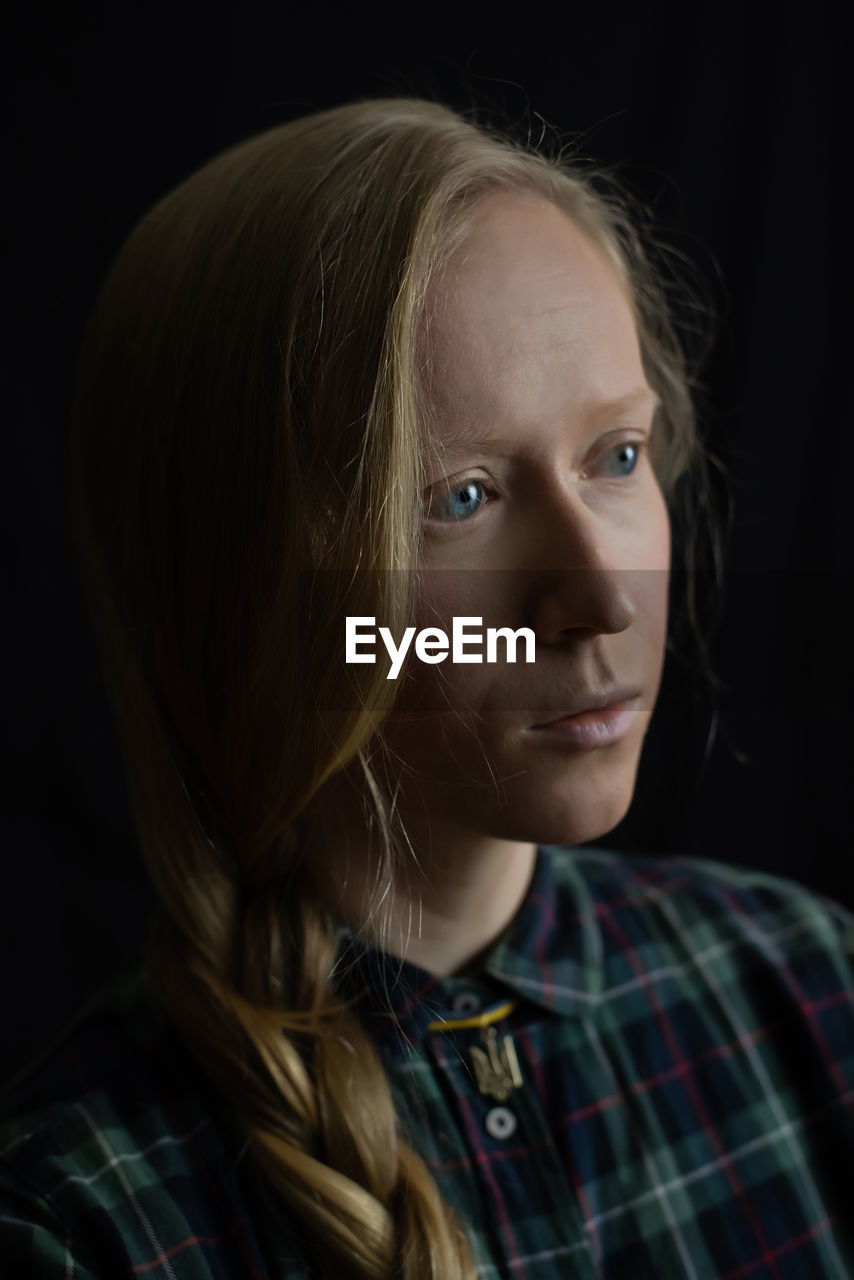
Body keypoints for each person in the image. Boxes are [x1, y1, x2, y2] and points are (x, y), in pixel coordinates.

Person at [1, 97, 852, 1280]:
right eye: (458, 497)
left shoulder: (811, 991)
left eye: (614, 455)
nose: (601, 604)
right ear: (244, 592)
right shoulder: (78, 1220)